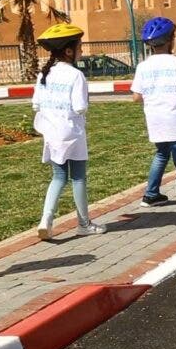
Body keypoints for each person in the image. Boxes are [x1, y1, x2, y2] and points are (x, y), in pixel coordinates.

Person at [32, 24, 107, 239]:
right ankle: (84, 223)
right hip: (72, 132)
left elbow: (36, 105)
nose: (81, 50)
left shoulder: (44, 74)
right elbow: (80, 107)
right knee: (78, 178)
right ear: (68, 50)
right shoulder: (76, 76)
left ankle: (46, 219)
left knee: (58, 177)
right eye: (79, 46)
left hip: (51, 132)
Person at [132, 17, 176, 221]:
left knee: (161, 154)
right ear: (170, 40)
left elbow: (136, 96)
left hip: (155, 119)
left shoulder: (143, 67)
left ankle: (151, 194)